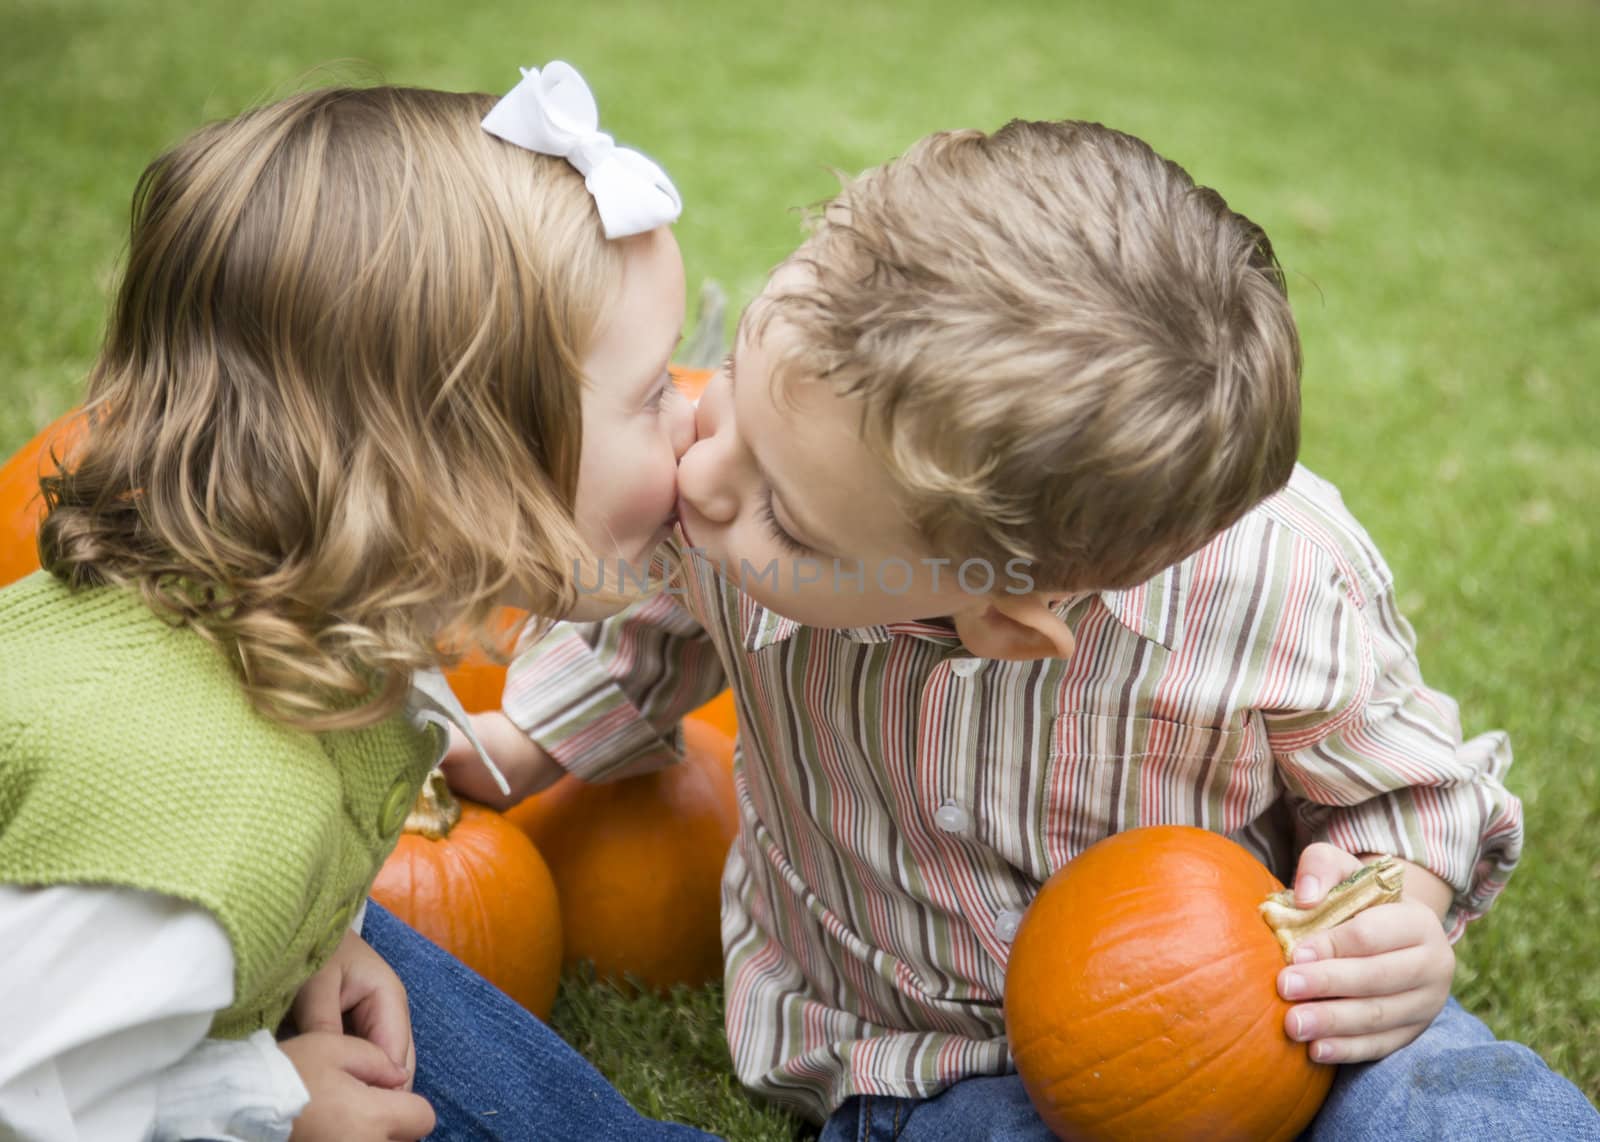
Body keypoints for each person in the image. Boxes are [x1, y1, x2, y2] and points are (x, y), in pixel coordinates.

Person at [446, 119, 1600, 1139]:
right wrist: (507, 750)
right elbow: (643, 621)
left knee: (1452, 1109)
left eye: (784, 519)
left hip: (1261, 1007)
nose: (700, 477)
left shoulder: (1280, 592)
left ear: (1003, 623)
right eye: (733, 383)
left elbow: (1412, 791)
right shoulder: (756, 490)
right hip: (920, 1043)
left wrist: (1396, 911)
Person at [0, 62, 716, 1142]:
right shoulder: (207, 821)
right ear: (460, 470)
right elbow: (29, 1095)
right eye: (654, 390)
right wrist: (262, 1101)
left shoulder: (278, 632)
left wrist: (305, 930)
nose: (691, 426)